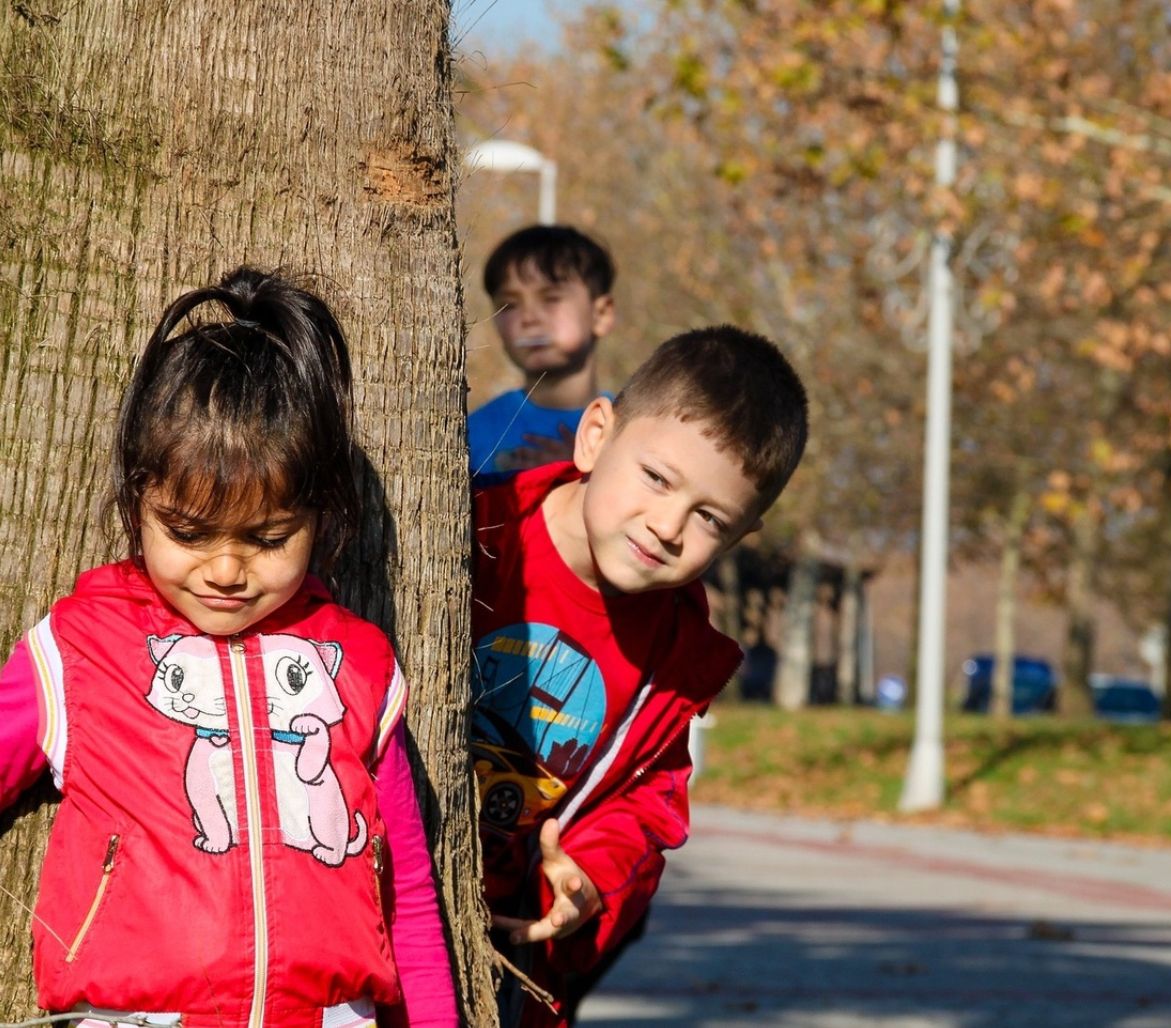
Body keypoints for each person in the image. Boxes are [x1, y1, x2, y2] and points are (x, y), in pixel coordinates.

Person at [0, 268, 457, 1026]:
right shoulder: (77, 652)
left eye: (269, 539)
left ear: (321, 517)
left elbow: (404, 888)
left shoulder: (358, 667)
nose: (224, 571)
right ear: (135, 501)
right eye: (186, 533)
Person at [470, 325, 809, 1026]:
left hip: (505, 953)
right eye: (656, 478)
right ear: (596, 435)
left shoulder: (677, 659)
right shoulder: (475, 532)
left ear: (744, 534)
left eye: (709, 517)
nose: (666, 525)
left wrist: (589, 881)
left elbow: (647, 803)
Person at [468, 224, 616, 476]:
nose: (528, 318)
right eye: (510, 305)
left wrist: (583, 474)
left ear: (601, 314)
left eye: (551, 298)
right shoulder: (472, 434)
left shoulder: (630, 429)